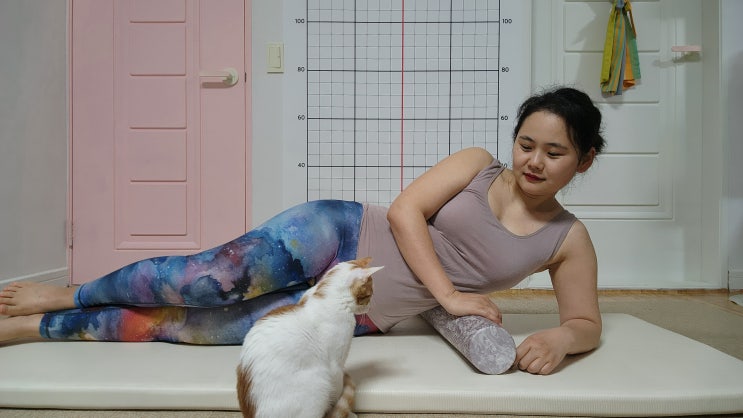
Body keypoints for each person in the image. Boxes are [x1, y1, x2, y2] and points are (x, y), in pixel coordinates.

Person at [0, 86, 604, 375]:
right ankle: (68, 294)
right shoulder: (478, 164)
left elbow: (585, 323)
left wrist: (560, 340)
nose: (533, 161)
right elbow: (403, 212)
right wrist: (448, 296)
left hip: (362, 308)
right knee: (204, 282)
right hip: (339, 234)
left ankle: (37, 328)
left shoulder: (567, 239)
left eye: (554, 153)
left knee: (196, 330)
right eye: (526, 143)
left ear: (584, 161)